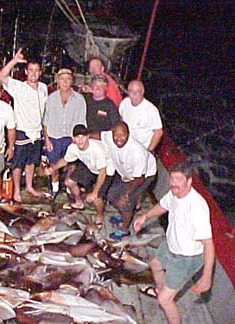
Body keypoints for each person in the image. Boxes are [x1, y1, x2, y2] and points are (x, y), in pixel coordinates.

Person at [134, 162, 215, 324]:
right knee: (155, 264)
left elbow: (209, 245)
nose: (173, 183)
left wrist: (206, 277)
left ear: (189, 181)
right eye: (172, 178)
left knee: (165, 301)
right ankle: (159, 289)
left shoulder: (197, 207)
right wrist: (145, 216)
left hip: (187, 258)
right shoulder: (175, 193)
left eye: (178, 179)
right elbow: (163, 206)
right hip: (171, 245)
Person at [0, 48, 48, 203]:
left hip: (37, 132)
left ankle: (30, 187)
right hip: (22, 131)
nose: (33, 73)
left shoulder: (43, 88)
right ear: (26, 72)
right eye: (30, 70)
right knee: (18, 164)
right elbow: (1, 76)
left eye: (36, 71)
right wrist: (14, 61)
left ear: (40, 72)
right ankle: (17, 191)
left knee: (31, 162)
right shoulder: (18, 87)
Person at [92, 121, 156, 240]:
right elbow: (99, 135)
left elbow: (139, 179)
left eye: (123, 135)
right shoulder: (109, 137)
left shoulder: (137, 152)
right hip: (126, 174)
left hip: (144, 176)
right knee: (111, 196)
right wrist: (84, 136)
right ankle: (125, 215)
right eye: (116, 135)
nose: (119, 138)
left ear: (128, 134)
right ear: (112, 133)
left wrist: (126, 195)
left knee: (125, 202)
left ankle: (125, 229)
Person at [46, 124, 113, 229]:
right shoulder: (73, 148)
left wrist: (95, 192)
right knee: (69, 182)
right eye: (77, 137)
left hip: (107, 171)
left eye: (83, 136)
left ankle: (99, 216)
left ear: (87, 137)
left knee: (96, 198)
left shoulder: (97, 149)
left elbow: (102, 172)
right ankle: (78, 203)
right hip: (91, 167)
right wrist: (52, 168)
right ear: (73, 138)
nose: (80, 140)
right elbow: (65, 160)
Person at [42, 68, 87, 196]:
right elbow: (46, 120)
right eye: (62, 79)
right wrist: (46, 139)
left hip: (70, 138)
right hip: (54, 137)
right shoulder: (51, 98)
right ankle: (55, 188)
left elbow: (81, 122)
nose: (65, 82)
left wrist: (77, 140)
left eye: (68, 79)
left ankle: (69, 188)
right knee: (53, 164)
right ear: (58, 81)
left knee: (71, 165)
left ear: (72, 81)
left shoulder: (79, 99)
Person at [119, 80, 163, 153]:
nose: (134, 94)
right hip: (126, 145)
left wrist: (148, 151)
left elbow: (158, 132)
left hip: (142, 148)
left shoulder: (151, 110)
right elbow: (121, 120)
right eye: (131, 91)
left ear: (142, 92)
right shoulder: (125, 103)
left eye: (137, 91)